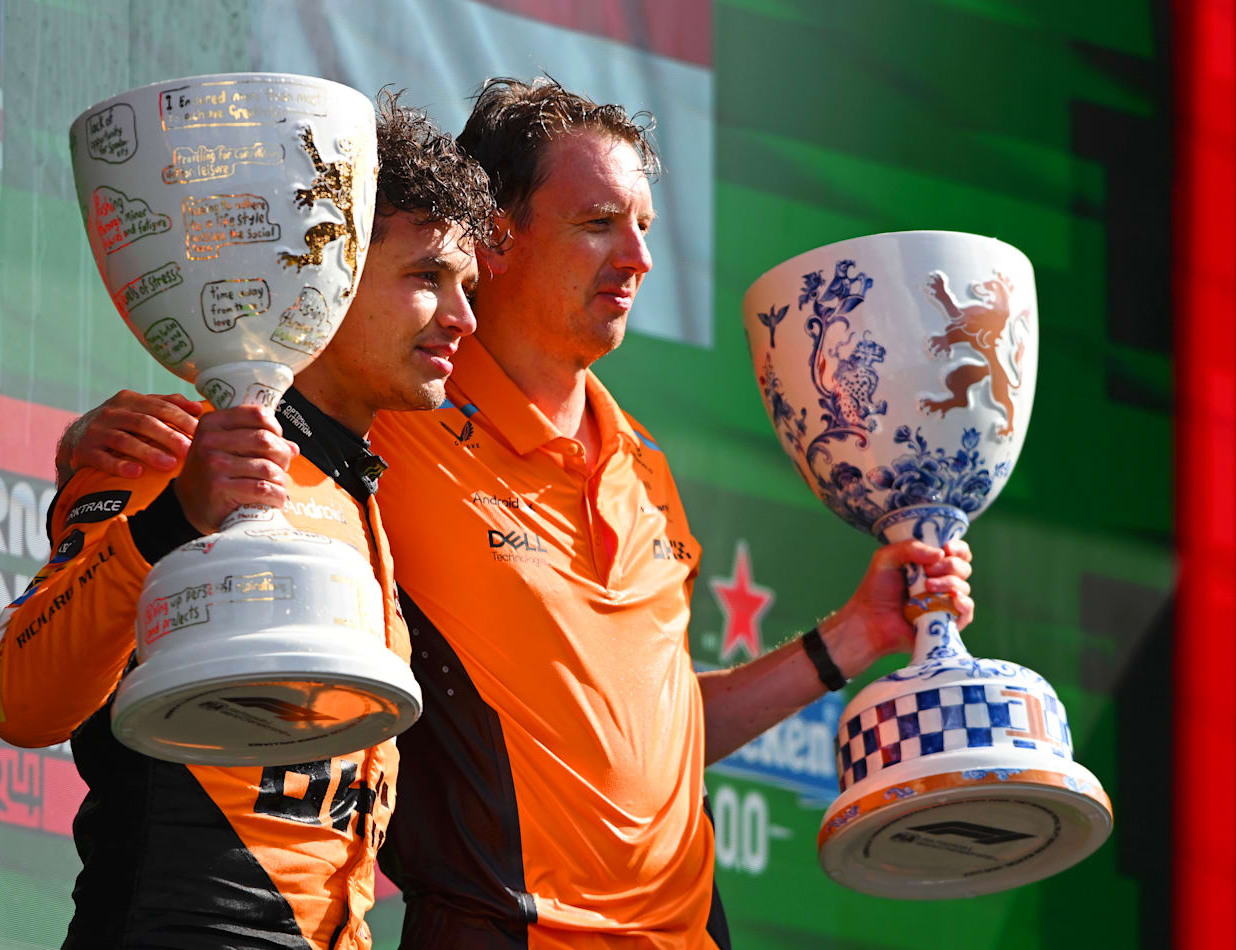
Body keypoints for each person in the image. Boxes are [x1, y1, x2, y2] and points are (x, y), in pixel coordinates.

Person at [65, 78, 974, 949]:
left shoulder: (644, 465)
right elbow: (260, 403)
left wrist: (852, 638)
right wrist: (109, 442)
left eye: (645, 227)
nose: (639, 258)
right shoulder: (396, 425)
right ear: (493, 238)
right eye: (599, 224)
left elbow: (650, 751)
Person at [0, 94, 495, 950]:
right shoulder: (174, 457)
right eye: (426, 277)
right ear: (322, 273)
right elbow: (18, 702)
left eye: (466, 286)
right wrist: (170, 523)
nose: (462, 317)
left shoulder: (362, 491)